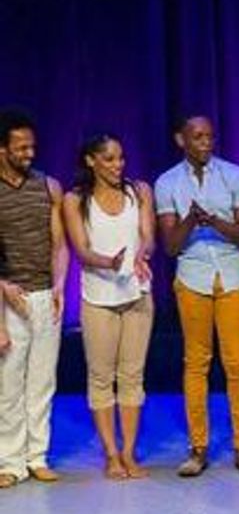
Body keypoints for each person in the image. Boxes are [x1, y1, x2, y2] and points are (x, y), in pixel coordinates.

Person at [155, 113, 239, 477]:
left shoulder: (235, 175)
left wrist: (214, 221)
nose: (205, 143)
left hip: (232, 275)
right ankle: (198, 448)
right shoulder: (167, 183)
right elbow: (170, 247)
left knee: (238, 364)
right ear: (180, 139)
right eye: (197, 137)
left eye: (209, 137)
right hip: (192, 276)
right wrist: (190, 220)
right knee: (196, 363)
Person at [61, 133, 155, 479]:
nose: (119, 165)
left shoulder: (139, 191)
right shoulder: (75, 200)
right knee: (101, 376)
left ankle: (129, 452)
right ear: (91, 161)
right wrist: (108, 262)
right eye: (110, 159)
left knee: (132, 375)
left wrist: (142, 255)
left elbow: (148, 237)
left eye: (121, 158)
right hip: (98, 297)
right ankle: (111, 454)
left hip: (138, 295)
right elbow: (81, 249)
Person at [0, 108, 67, 488]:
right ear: (2, 149)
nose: (28, 153)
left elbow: (59, 245)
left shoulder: (48, 186)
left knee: (42, 381)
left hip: (44, 295)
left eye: (32, 147)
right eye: (20, 147)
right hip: (8, 298)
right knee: (9, 381)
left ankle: (36, 455)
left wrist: (59, 285)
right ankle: (10, 461)